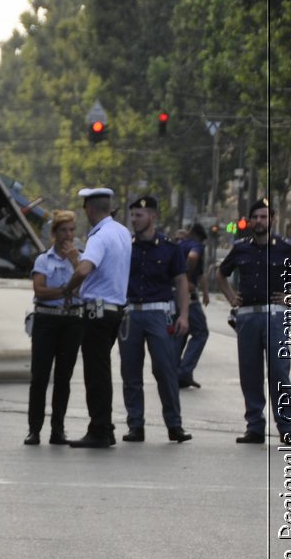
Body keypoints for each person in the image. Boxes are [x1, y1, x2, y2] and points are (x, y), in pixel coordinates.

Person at [216, 197, 291, 444]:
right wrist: (231, 297)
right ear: (250, 220)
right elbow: (221, 273)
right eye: (256, 217)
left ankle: (286, 427)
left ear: (272, 219)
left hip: (276, 316)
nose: (260, 221)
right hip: (248, 316)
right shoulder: (241, 247)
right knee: (250, 373)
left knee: (279, 372)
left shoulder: (286, 247)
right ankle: (254, 426)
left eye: (265, 217)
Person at [118, 195, 192, 443]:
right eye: (132, 216)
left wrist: (183, 315)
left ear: (152, 217)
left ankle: (174, 424)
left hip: (159, 314)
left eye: (139, 215)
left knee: (164, 369)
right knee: (130, 372)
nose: (134, 220)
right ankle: (135, 425)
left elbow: (181, 282)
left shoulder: (170, 248)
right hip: (130, 314)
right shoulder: (125, 247)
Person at [63, 187, 132, 448]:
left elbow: (85, 269)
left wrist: (68, 288)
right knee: (102, 370)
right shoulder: (122, 232)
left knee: (95, 373)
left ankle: (100, 429)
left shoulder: (99, 237)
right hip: (115, 311)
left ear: (90, 209)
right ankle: (104, 426)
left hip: (97, 312)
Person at [25, 210, 86, 445]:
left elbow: (85, 291)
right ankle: (34, 429)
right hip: (46, 320)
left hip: (71, 320)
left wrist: (74, 263)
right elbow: (39, 290)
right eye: (63, 230)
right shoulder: (44, 259)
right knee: (39, 376)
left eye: (71, 230)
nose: (68, 236)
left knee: (64, 377)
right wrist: (64, 290)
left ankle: (57, 429)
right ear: (54, 233)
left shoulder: (80, 260)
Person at [176, 222, 210, 388]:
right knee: (201, 332)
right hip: (188, 296)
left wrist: (206, 292)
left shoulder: (179, 245)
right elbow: (193, 257)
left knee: (181, 332)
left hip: (173, 295)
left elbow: (202, 273)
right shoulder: (196, 246)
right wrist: (187, 279)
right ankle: (184, 371)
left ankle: (176, 372)